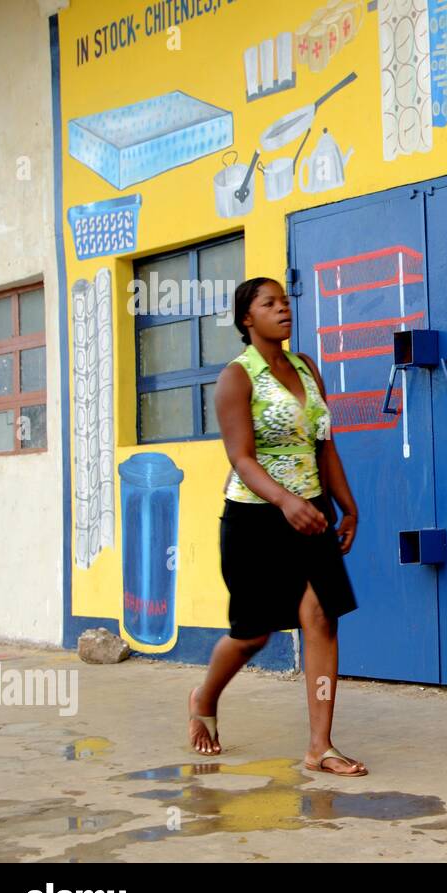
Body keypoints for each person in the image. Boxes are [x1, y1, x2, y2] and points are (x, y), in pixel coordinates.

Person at [186, 276, 367, 777]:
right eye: (270, 304)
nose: (283, 309)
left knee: (322, 616)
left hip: (312, 514)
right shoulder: (237, 377)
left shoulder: (307, 368)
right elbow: (241, 458)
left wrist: (348, 507)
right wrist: (285, 501)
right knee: (253, 635)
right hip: (255, 518)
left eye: (285, 301)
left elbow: (324, 444)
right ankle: (204, 697)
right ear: (247, 318)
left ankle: (320, 746)